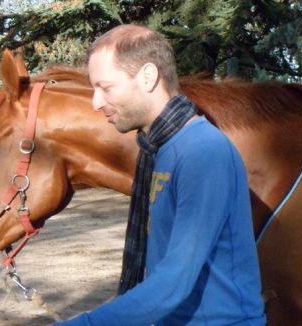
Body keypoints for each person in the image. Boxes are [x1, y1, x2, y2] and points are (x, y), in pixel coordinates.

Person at [55, 24, 265, 326]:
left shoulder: (203, 151)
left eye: (106, 87)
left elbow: (173, 282)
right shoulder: (159, 150)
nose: (96, 102)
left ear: (149, 77)